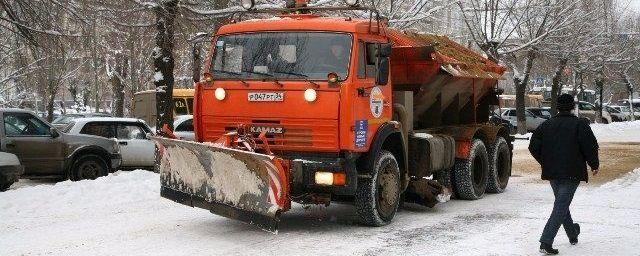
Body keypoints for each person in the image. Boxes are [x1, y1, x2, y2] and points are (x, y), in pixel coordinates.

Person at [529, 93, 600, 255]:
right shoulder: (580, 124)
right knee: (561, 205)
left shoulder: (547, 125)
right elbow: (590, 146)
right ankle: (546, 242)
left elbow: (533, 146)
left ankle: (572, 234)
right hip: (572, 172)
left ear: (557, 107)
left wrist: (544, 161)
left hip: (553, 173)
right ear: (573, 107)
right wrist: (594, 164)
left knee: (562, 204)